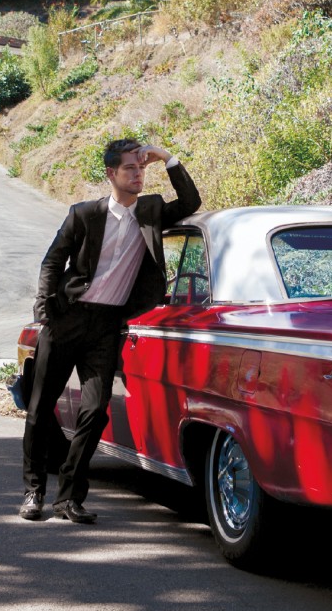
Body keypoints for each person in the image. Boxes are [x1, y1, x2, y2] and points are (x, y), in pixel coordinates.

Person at [19, 139, 201, 523]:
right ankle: (34, 491)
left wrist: (168, 157)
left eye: (141, 168)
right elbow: (52, 261)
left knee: (95, 411)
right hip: (67, 319)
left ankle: (68, 498)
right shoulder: (84, 214)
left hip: (107, 326)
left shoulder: (151, 211)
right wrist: (44, 308)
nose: (138, 175)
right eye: (130, 169)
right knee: (39, 410)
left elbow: (189, 203)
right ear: (111, 174)